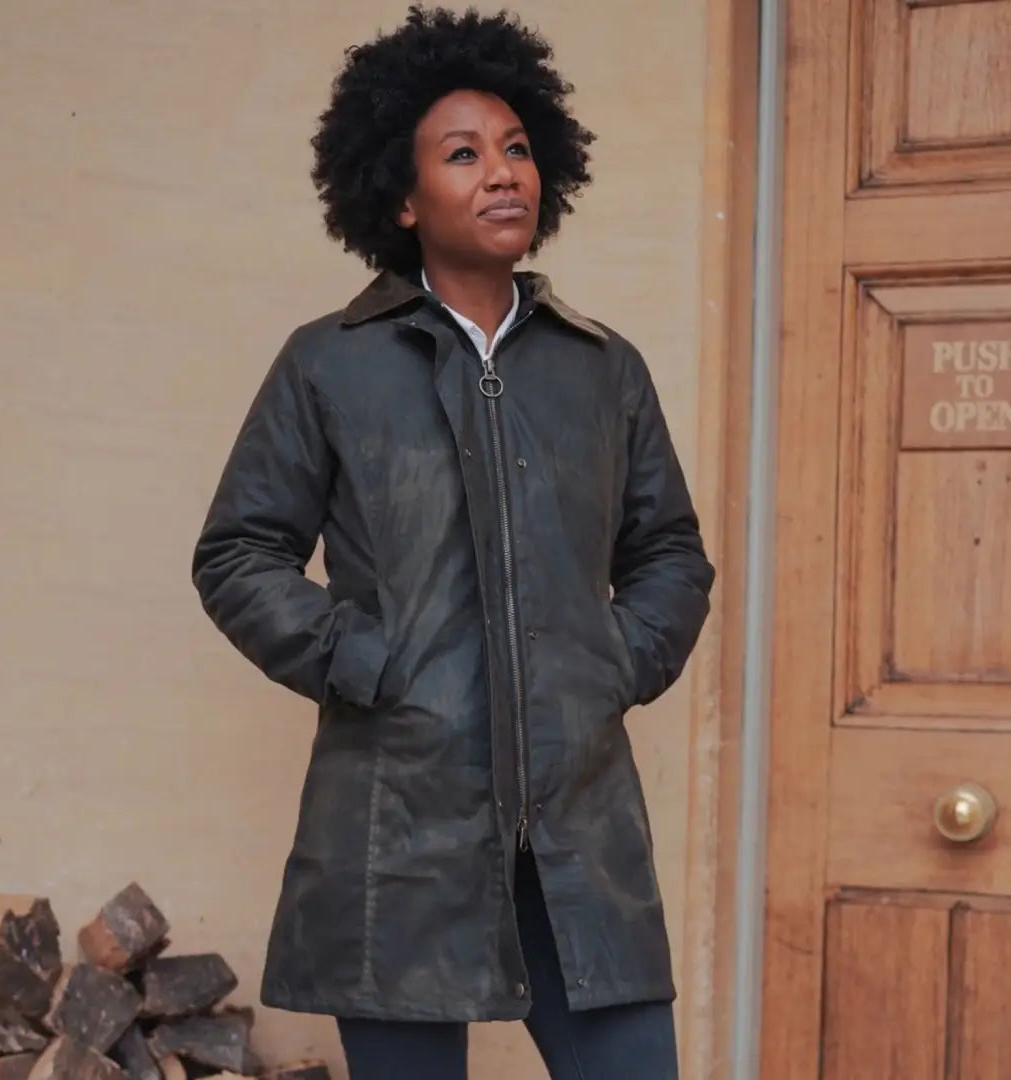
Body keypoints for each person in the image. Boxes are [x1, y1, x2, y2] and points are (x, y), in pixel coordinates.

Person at [192, 6, 715, 1078]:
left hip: (575, 829)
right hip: (400, 829)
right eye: (464, 154)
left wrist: (609, 664)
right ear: (400, 192)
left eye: (518, 148)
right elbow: (239, 553)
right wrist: (367, 660)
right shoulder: (329, 366)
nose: (502, 173)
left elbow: (669, 551)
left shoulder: (602, 369)